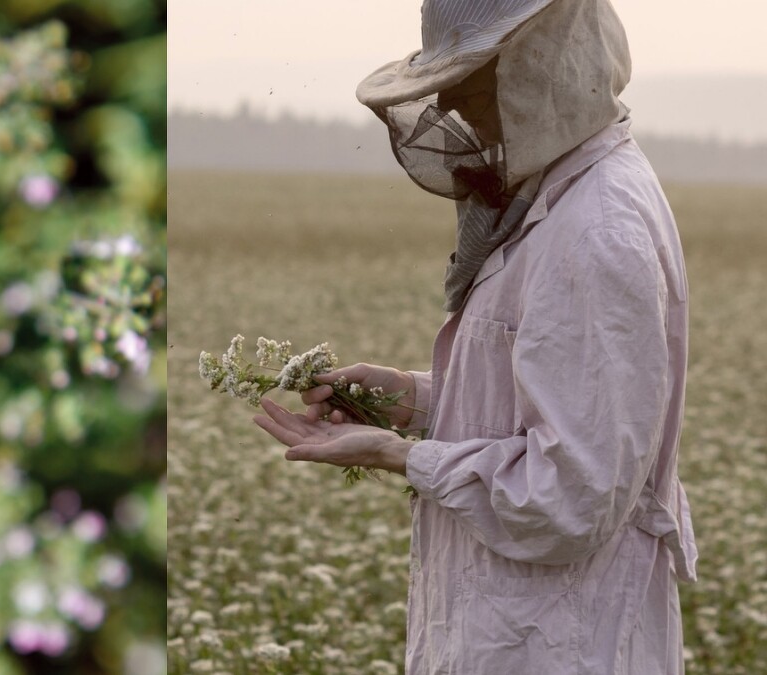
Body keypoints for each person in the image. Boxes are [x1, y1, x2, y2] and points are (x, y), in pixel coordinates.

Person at [252, 0, 697, 672]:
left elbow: (573, 492)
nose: (459, 112)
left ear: (544, 66)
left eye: (476, 85)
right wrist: (415, 400)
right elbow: (560, 398)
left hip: (563, 645)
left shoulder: (598, 230)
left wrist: (402, 456)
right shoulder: (565, 198)